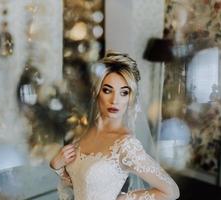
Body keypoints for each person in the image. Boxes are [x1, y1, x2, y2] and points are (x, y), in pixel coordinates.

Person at [50, 51, 180, 200]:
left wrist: (122, 199)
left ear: (131, 98)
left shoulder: (126, 145)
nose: (115, 100)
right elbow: (81, 183)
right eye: (107, 90)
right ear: (96, 92)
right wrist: (57, 167)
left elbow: (171, 191)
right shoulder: (84, 132)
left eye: (124, 93)